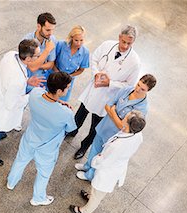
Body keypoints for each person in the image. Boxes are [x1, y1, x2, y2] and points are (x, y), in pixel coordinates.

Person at [68, 25, 141, 160]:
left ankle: (84, 146)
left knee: (96, 126)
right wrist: (97, 74)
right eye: (123, 41)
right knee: (80, 114)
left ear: (133, 42)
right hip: (94, 89)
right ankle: (72, 130)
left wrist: (110, 83)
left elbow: (129, 85)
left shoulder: (135, 62)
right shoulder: (107, 45)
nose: (125, 46)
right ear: (119, 37)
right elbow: (94, 58)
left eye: (129, 43)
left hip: (108, 97)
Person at [7, 72, 77, 206]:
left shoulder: (35, 93)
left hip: (30, 137)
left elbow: (44, 97)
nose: (68, 89)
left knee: (20, 161)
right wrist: (61, 105)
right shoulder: (65, 113)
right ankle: (38, 198)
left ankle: (11, 182)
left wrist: (58, 101)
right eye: (67, 87)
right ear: (59, 91)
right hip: (47, 148)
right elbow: (70, 129)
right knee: (43, 174)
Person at [75, 74, 156, 181]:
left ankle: (90, 175)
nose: (137, 89)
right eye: (138, 85)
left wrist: (113, 111)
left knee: (102, 155)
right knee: (95, 147)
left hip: (114, 135)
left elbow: (122, 126)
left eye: (142, 89)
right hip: (105, 126)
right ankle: (87, 166)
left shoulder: (142, 108)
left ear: (148, 91)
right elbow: (107, 105)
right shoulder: (127, 90)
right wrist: (115, 115)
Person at [0, 39, 46, 166]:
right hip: (3, 109)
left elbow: (17, 76)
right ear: (27, 59)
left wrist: (27, 81)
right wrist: (30, 95)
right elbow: (11, 104)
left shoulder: (11, 55)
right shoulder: (17, 81)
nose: (39, 57)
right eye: (37, 56)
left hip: (0, 96)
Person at [69, 111, 146, 213]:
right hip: (114, 165)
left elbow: (104, 161)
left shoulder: (118, 145)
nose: (122, 118)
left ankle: (84, 211)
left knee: (98, 194)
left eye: (125, 118)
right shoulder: (137, 135)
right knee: (95, 191)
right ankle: (90, 197)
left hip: (107, 172)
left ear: (127, 125)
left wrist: (96, 160)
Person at [53, 25, 90, 102]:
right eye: (76, 40)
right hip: (54, 76)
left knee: (61, 102)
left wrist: (70, 76)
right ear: (71, 38)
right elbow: (52, 61)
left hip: (68, 81)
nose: (79, 43)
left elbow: (81, 69)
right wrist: (58, 73)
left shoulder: (85, 52)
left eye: (81, 40)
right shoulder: (61, 45)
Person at [23, 12, 57, 93]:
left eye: (52, 30)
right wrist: (47, 50)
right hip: (30, 80)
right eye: (48, 30)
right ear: (39, 26)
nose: (51, 33)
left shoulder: (52, 39)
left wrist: (36, 64)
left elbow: (51, 64)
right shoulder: (27, 41)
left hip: (45, 79)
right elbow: (31, 68)